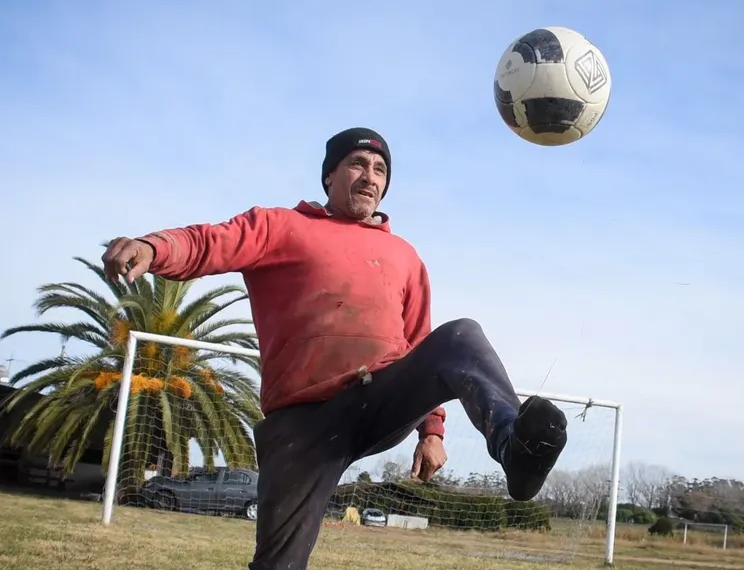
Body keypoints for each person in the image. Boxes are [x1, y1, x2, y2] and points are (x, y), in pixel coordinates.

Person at [101, 127, 569, 569]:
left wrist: (432, 431)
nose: (370, 177)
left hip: (378, 398)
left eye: (380, 169)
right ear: (329, 175)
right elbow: (209, 242)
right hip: (301, 424)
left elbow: (422, 343)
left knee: (461, 336)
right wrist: (153, 246)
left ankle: (514, 448)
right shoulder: (280, 226)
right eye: (357, 164)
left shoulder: (404, 256)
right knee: (277, 564)